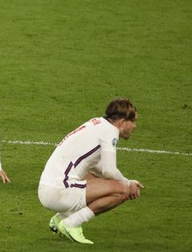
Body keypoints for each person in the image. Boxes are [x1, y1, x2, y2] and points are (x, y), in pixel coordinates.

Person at [38, 98, 144, 244]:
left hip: (47, 189)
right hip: (59, 191)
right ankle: (72, 223)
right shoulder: (111, 131)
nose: (135, 126)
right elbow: (109, 171)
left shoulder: (96, 123)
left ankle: (61, 218)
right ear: (122, 122)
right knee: (122, 190)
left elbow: (96, 167)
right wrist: (128, 183)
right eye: (134, 121)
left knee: (96, 175)